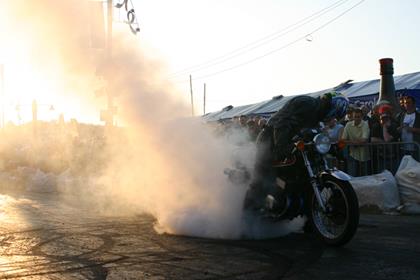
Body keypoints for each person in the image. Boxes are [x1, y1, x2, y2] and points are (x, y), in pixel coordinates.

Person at [244, 92, 349, 210]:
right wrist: (282, 146)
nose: (333, 116)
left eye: (336, 115)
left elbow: (317, 136)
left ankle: (308, 220)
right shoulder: (305, 103)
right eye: (334, 111)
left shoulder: (317, 118)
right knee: (260, 180)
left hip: (287, 141)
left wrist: (332, 148)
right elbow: (282, 122)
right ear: (327, 103)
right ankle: (247, 217)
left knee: (307, 177)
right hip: (269, 140)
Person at [341, 108, 370, 176]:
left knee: (365, 177)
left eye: (358, 117)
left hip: (364, 156)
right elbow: (343, 140)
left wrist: (350, 142)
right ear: (352, 117)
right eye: (355, 117)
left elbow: (364, 140)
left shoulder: (365, 124)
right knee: (352, 175)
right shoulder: (348, 124)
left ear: (362, 117)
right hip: (352, 154)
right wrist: (357, 142)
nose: (357, 119)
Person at [398, 95, 420, 160]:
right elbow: (397, 128)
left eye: (408, 102)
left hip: (416, 148)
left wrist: (413, 129)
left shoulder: (418, 116)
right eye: (405, 103)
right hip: (404, 148)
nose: (406, 104)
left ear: (413, 104)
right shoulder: (401, 116)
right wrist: (399, 129)